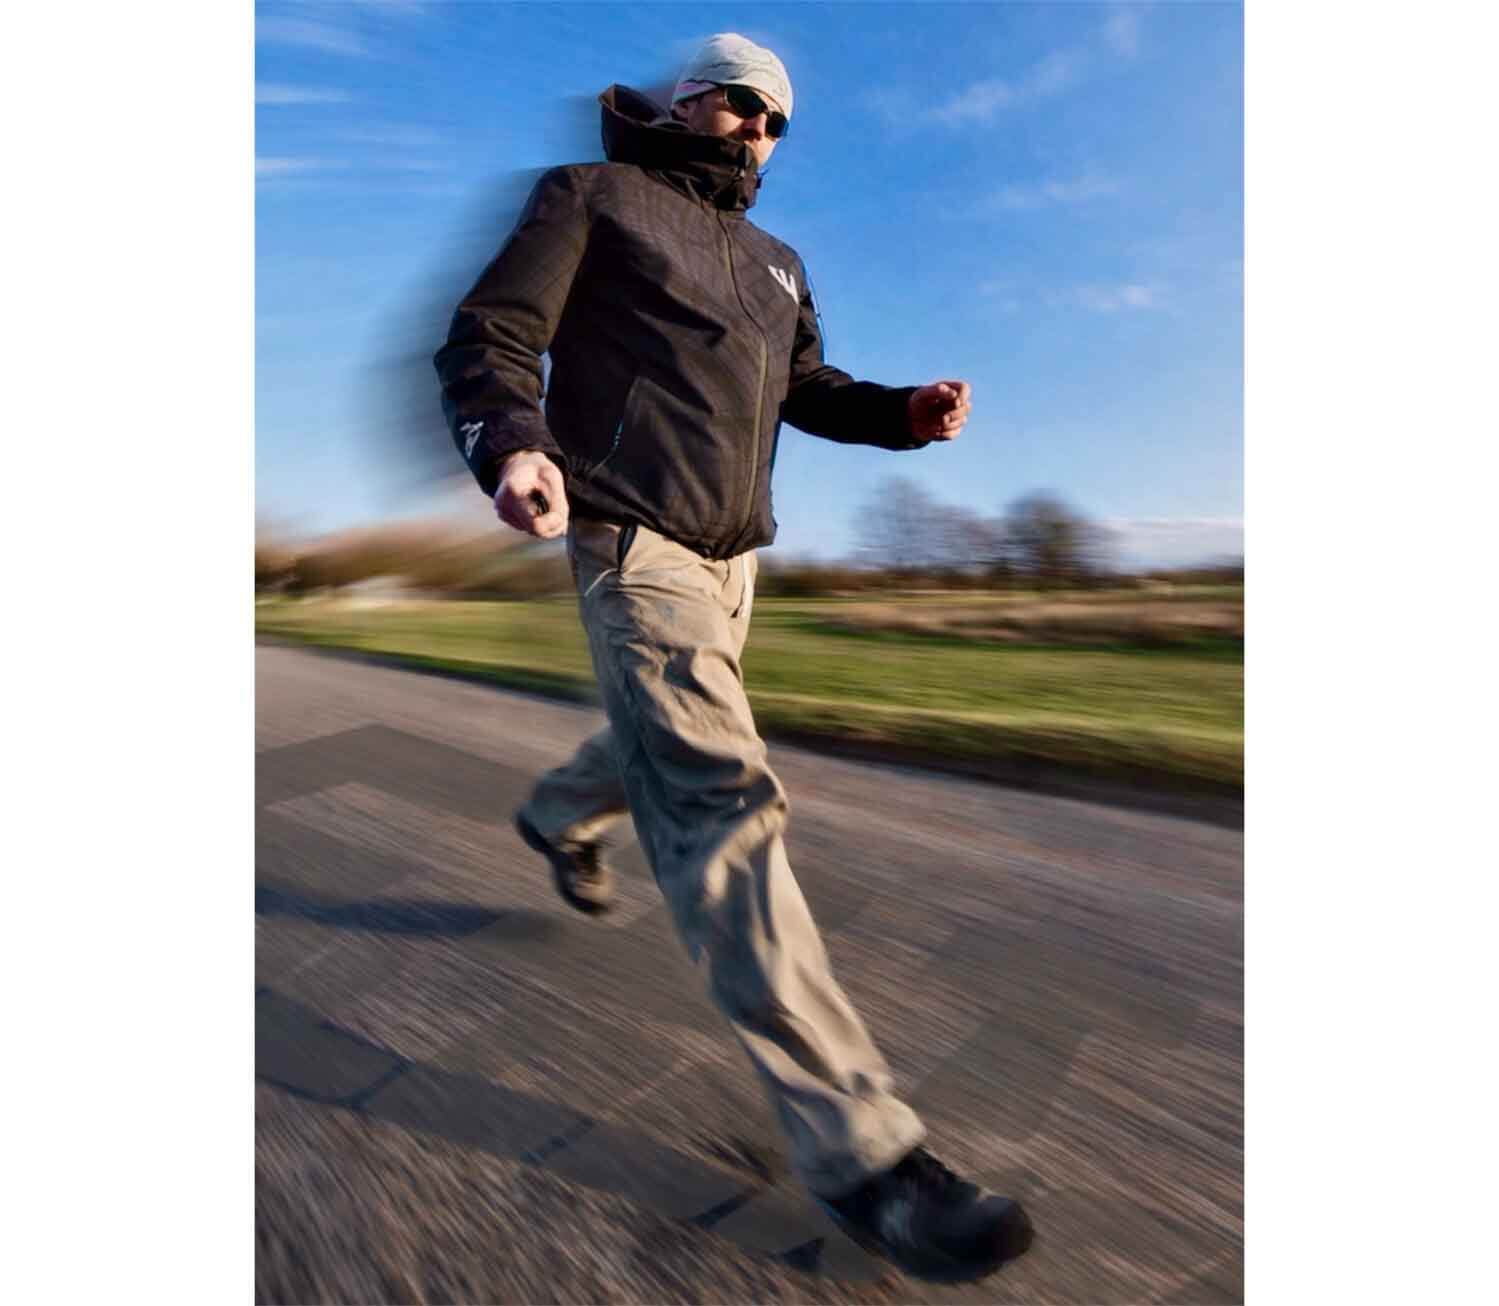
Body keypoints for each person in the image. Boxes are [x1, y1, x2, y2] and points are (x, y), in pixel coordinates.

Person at [434, 33, 1033, 1283]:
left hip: (733, 561)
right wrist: (511, 442)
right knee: (721, 799)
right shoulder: (594, 195)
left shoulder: (778, 264)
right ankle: (863, 1153)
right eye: (744, 105)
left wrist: (897, 413)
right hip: (631, 537)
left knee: (661, 740)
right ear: (691, 99)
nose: (761, 131)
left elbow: (804, 388)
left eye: (779, 121)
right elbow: (491, 331)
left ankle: (557, 813)